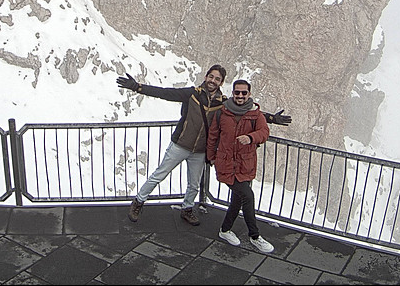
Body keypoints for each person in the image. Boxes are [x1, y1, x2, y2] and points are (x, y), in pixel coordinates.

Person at [116, 65, 291, 226]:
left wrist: (271, 118)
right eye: (211, 77)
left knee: (194, 184)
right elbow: (166, 93)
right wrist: (137, 87)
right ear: (206, 77)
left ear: (221, 82)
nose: (213, 81)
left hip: (199, 151)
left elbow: (245, 111)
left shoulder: (223, 103)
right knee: (159, 174)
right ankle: (138, 202)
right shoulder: (192, 94)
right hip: (180, 145)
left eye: (217, 79)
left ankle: (187, 209)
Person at [206, 78, 274, 254]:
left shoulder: (256, 115)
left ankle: (225, 230)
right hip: (226, 165)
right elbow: (213, 136)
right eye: (237, 92)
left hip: (245, 165)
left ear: (249, 94)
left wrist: (251, 137)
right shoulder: (222, 113)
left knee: (238, 199)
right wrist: (211, 158)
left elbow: (264, 132)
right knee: (247, 195)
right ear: (233, 93)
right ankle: (255, 236)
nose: (240, 96)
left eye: (244, 93)